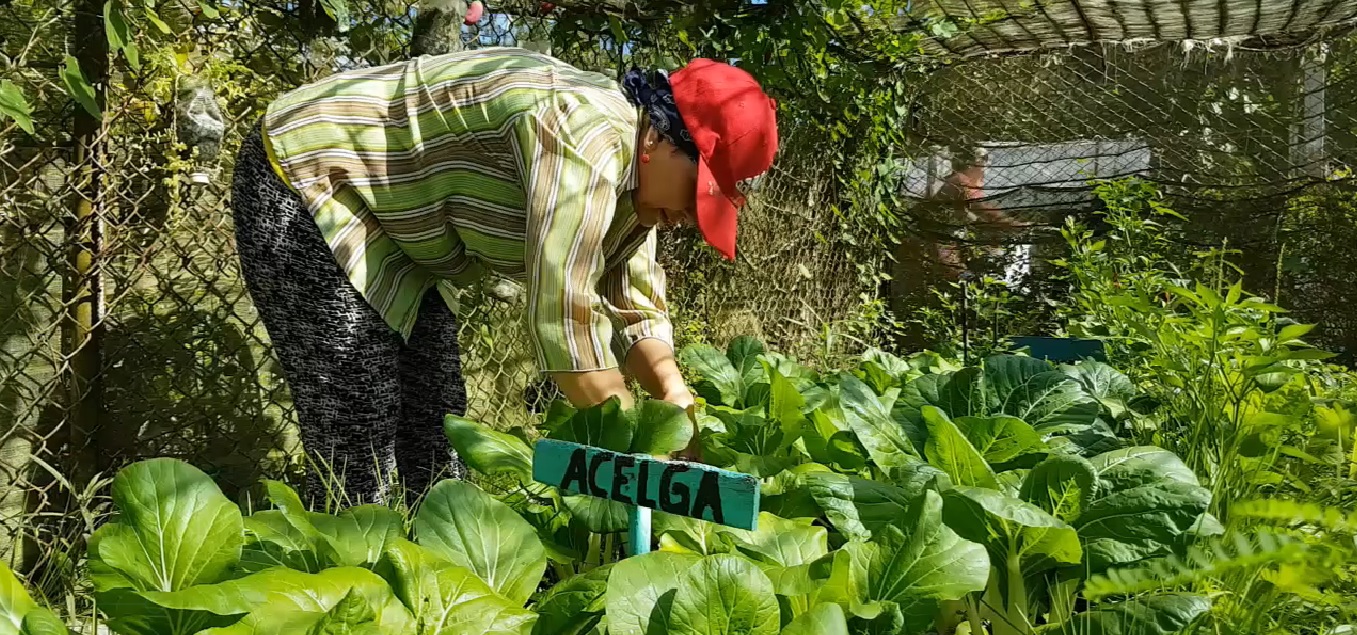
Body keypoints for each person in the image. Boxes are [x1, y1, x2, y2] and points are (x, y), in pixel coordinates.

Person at [229, 47, 779, 506]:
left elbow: (633, 304)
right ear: (658, 138)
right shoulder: (585, 137)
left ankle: (434, 575)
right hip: (310, 173)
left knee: (435, 409)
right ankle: (345, 575)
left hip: (398, 233)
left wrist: (674, 396)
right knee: (359, 412)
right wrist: (639, 447)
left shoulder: (639, 189)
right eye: (699, 189)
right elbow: (563, 318)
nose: (690, 215)